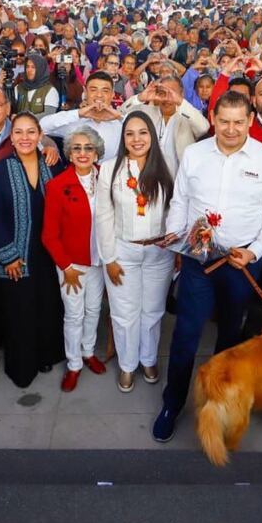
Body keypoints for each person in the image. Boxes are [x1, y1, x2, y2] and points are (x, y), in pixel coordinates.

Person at [152, 91, 262, 442]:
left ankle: (218, 403)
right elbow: (180, 201)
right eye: (224, 121)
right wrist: (174, 237)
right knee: (185, 335)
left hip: (241, 265)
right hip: (200, 261)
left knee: (230, 339)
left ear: (250, 120)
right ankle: (172, 403)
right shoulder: (196, 155)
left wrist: (254, 251)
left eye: (238, 122)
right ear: (213, 117)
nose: (230, 129)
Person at [96, 111, 175, 392]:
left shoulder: (166, 167)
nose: (137, 139)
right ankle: (128, 365)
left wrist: (176, 247)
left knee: (152, 311)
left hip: (159, 253)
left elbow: (175, 212)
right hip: (123, 251)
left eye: (143, 132)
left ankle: (148, 359)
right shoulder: (109, 169)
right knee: (123, 312)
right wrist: (109, 259)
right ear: (123, 138)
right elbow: (103, 217)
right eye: (130, 133)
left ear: (152, 136)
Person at [0, 112, 65, 388]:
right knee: (18, 310)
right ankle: (22, 367)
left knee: (47, 305)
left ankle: (47, 356)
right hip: (16, 253)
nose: (25, 138)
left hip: (48, 253)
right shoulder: (0, 170)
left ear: (40, 135)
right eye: (18, 132)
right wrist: (8, 255)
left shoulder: (53, 164)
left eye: (31, 132)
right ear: (11, 137)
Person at [42, 126, 109, 392]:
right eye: (77, 148)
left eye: (88, 148)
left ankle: (88, 351)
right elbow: (49, 235)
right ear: (69, 153)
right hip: (71, 264)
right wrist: (66, 267)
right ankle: (73, 365)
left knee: (94, 310)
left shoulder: (107, 178)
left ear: (96, 152)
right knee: (74, 315)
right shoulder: (57, 185)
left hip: (99, 261)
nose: (83, 153)